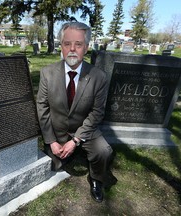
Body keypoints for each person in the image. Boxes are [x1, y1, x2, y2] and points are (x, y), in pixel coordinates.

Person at [36, 21, 116, 203]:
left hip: (85, 128)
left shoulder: (98, 77)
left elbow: (97, 112)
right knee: (52, 165)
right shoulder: (47, 73)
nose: (72, 49)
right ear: (61, 47)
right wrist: (51, 141)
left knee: (103, 151)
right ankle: (65, 153)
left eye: (78, 44)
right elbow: (42, 108)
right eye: (67, 44)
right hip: (58, 130)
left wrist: (76, 140)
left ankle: (96, 179)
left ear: (86, 48)